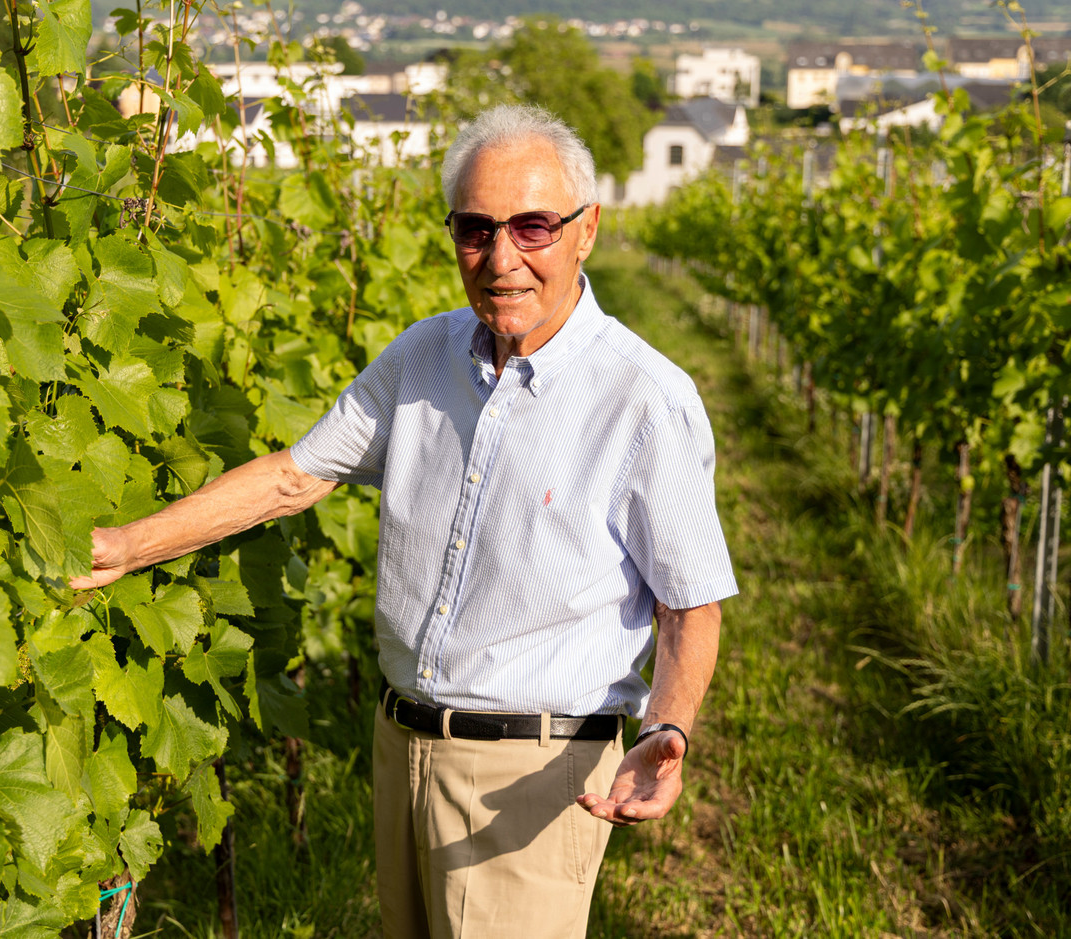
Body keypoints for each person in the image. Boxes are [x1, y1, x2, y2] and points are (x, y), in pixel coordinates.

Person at [71, 104, 738, 938]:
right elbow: (292, 478)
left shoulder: (644, 399)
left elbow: (690, 606)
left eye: (533, 227)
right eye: (475, 228)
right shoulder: (421, 356)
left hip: (533, 777)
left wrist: (667, 728)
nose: (502, 258)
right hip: (403, 749)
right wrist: (127, 546)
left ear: (586, 229)